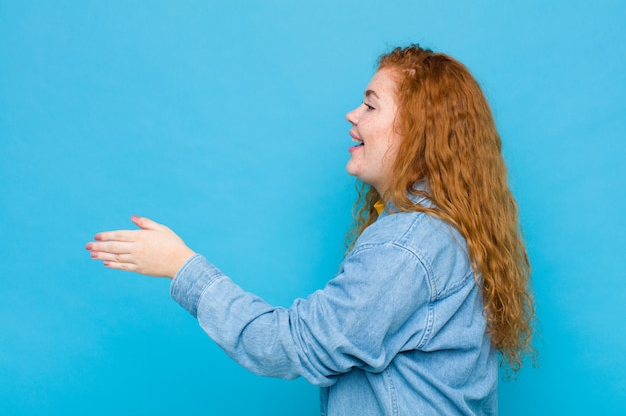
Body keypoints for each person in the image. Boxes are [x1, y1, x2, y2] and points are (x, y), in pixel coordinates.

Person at [86, 44, 534, 415]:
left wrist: (181, 267)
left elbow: (284, 345)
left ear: (419, 131)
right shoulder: (435, 233)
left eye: (371, 104)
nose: (351, 114)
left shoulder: (407, 245)